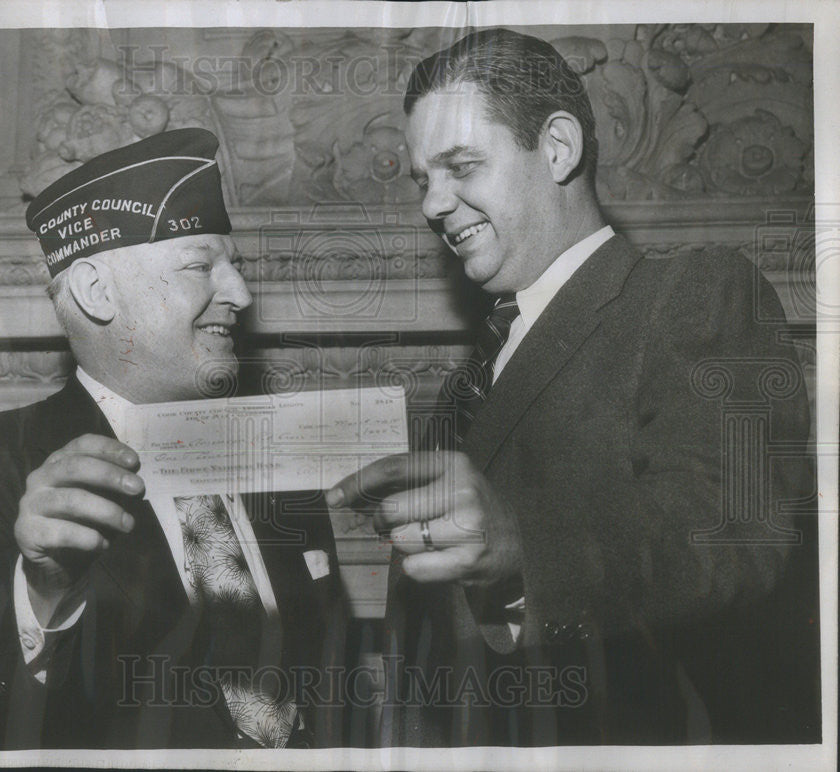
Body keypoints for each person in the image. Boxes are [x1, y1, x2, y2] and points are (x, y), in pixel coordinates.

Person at [327, 28, 819, 746]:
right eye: (421, 180)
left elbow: (736, 535)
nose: (433, 204)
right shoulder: (467, 383)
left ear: (557, 148)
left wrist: (525, 544)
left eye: (460, 166)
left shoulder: (693, 292)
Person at [0, 128, 345, 749]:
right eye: (202, 266)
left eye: (236, 266)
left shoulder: (275, 455)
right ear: (98, 293)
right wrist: (41, 589)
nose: (240, 293)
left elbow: (328, 681)